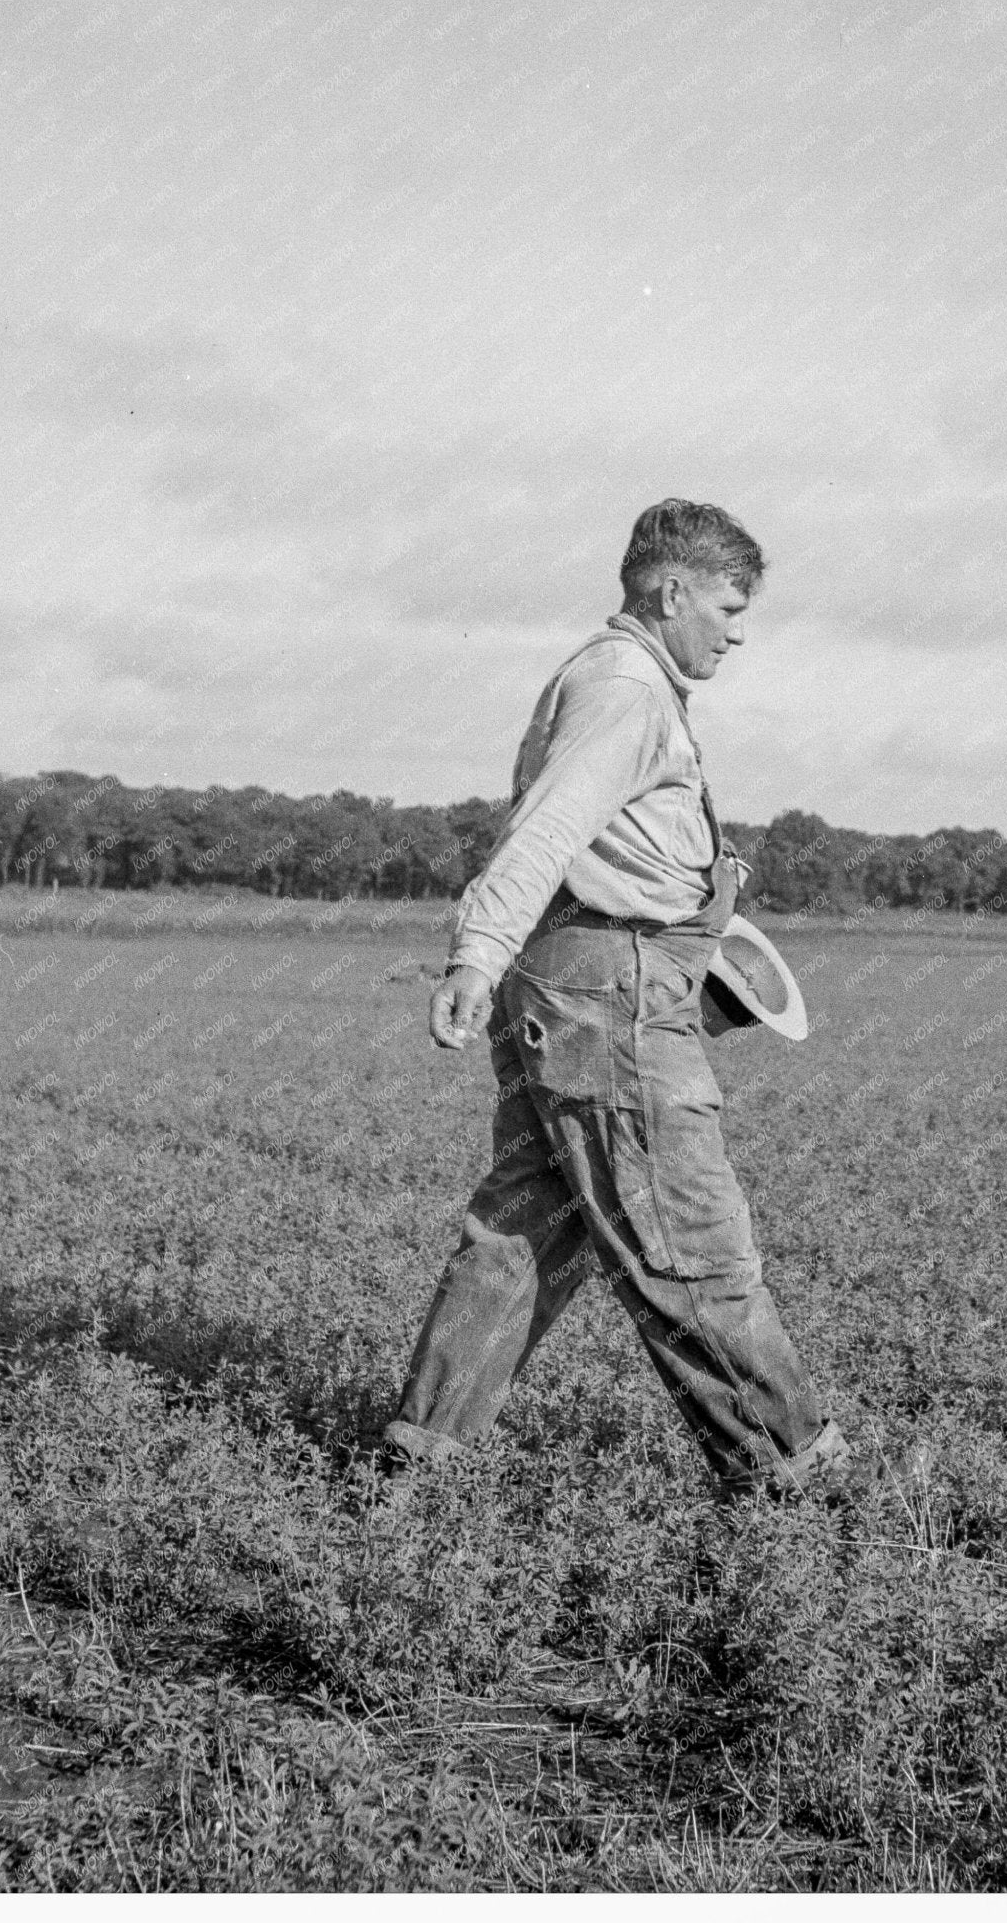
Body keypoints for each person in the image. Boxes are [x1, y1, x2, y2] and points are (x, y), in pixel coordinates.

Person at [382, 499, 849, 1498]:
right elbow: (545, 832)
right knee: (688, 1240)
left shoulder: (621, 683)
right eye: (726, 604)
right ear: (668, 588)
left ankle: (416, 1468)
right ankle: (794, 1478)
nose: (736, 628)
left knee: (524, 1232)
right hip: (607, 998)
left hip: (577, 985)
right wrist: (475, 949)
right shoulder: (626, 691)